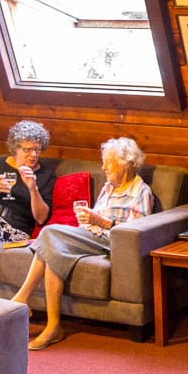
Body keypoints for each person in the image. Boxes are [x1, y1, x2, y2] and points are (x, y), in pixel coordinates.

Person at [12, 137, 154, 350]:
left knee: (50, 232)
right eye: (103, 161)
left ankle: (21, 299)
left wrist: (103, 221)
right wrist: (90, 218)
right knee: (53, 251)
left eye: (108, 161)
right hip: (91, 235)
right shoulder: (108, 187)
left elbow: (137, 232)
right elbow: (95, 217)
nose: (103, 167)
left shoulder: (141, 192)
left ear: (126, 163)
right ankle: (53, 326)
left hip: (111, 241)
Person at [0, 120, 54, 264]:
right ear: (15, 148)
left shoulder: (46, 175)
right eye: (28, 149)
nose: (33, 155)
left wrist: (33, 188)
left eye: (37, 149)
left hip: (16, 229)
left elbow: (41, 218)